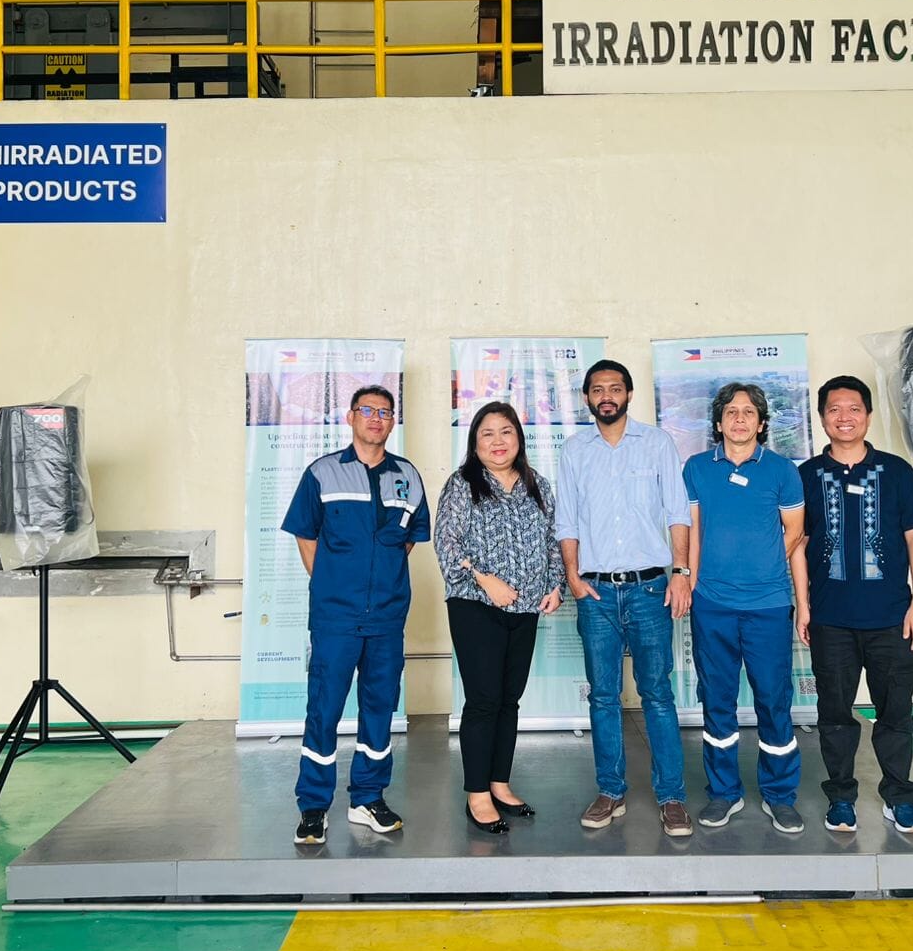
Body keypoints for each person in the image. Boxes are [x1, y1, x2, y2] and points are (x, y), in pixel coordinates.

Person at [282, 384, 430, 846]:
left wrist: (378, 580)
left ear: (392, 421)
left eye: (385, 412)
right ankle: (313, 807)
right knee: (323, 711)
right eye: (367, 410)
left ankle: (367, 797)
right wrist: (331, 581)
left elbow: (408, 539)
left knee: (379, 710)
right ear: (350, 417)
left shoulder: (407, 476)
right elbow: (306, 536)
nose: (376, 418)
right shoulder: (323, 474)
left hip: (386, 619)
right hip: (335, 618)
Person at [556, 359, 695, 837]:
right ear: (588, 398)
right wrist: (573, 578)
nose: (607, 395)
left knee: (657, 694)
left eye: (616, 387)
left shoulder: (656, 443)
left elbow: (678, 512)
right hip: (594, 591)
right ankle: (610, 790)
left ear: (629, 395)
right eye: (598, 389)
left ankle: (672, 797)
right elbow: (567, 520)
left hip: (651, 588)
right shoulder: (575, 450)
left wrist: (680, 572)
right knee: (603, 696)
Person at [791, 375, 913, 835]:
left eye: (853, 409)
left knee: (895, 713)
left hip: (893, 617)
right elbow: (799, 543)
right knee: (834, 714)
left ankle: (899, 798)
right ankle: (842, 799)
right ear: (822, 418)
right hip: (830, 619)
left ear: (868, 416)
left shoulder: (896, 471)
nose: (844, 418)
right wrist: (804, 605)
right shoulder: (806, 476)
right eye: (834, 410)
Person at [434, 401, 565, 834]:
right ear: (475, 442)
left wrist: (556, 583)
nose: (497, 441)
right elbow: (446, 544)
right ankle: (477, 793)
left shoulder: (538, 486)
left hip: (526, 607)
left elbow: (553, 541)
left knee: (510, 699)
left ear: (519, 438)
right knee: (484, 699)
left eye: (505, 432)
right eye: (487, 433)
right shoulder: (462, 484)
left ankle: (500, 782)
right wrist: (484, 579)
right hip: (475, 605)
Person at [683, 382, 806, 835]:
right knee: (717, 702)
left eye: (748, 412)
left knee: (774, 700)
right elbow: (692, 530)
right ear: (718, 422)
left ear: (761, 422)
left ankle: (779, 795)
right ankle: (724, 793)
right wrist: (694, 585)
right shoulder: (696, 468)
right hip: (711, 605)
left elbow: (794, 531)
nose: (739, 419)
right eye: (731, 412)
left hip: (769, 605)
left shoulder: (781, 471)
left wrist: (764, 564)